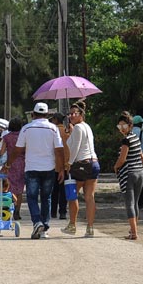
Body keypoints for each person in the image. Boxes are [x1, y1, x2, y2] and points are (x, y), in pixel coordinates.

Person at [6, 102, 64, 240]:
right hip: (49, 168)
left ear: (33, 114)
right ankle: (44, 228)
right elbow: (59, 150)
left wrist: (8, 164)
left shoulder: (26, 129)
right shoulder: (53, 129)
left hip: (31, 168)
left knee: (32, 197)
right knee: (46, 198)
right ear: (47, 115)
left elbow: (18, 150)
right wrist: (61, 168)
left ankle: (37, 222)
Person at [113, 111, 143, 240]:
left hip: (129, 174)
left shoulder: (126, 140)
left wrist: (115, 166)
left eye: (124, 126)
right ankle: (134, 229)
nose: (121, 129)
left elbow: (122, 159)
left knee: (129, 203)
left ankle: (133, 232)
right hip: (139, 174)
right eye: (119, 126)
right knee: (135, 203)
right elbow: (142, 157)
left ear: (130, 126)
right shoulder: (136, 138)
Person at [61, 101, 100, 238]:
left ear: (81, 115)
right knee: (89, 197)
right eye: (69, 114)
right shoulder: (86, 127)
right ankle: (90, 228)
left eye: (74, 113)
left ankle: (72, 225)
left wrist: (69, 164)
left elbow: (75, 147)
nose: (71, 116)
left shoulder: (78, 128)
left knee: (72, 195)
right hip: (93, 163)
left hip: (80, 164)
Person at [0, 117, 24, 220]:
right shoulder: (23, 137)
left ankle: (9, 209)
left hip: (10, 164)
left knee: (10, 187)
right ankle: (17, 210)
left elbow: (1, 152)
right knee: (20, 189)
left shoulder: (7, 137)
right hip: (22, 163)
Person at [48, 113, 69, 220]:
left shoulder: (53, 132)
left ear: (56, 120)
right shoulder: (67, 132)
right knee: (63, 190)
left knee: (54, 190)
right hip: (66, 165)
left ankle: (53, 212)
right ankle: (63, 212)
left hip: (54, 165)